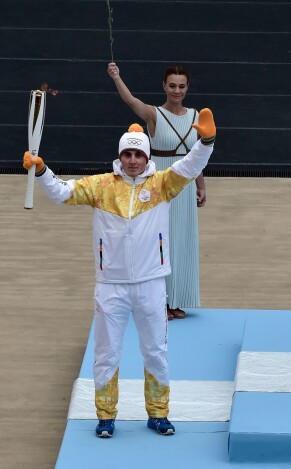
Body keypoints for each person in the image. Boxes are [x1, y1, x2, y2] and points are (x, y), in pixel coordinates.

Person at [22, 110, 216, 438]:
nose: (133, 160)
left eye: (139, 154)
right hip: (110, 285)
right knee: (106, 353)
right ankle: (106, 417)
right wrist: (42, 172)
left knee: (155, 350)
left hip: (151, 283)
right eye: (127, 154)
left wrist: (206, 142)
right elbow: (62, 193)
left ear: (147, 156)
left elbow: (190, 166)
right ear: (120, 156)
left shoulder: (162, 184)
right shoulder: (100, 186)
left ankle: (158, 414)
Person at [108, 62, 204, 320]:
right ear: (164, 86)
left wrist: (201, 185)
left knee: (182, 241)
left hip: (183, 188)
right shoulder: (154, 115)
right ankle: (158, 302)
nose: (176, 91)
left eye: (181, 86)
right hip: (159, 186)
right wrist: (117, 77)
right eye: (172, 85)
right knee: (159, 243)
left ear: (187, 87)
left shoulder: (196, 117)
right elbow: (130, 101)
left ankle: (176, 300)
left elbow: (196, 156)